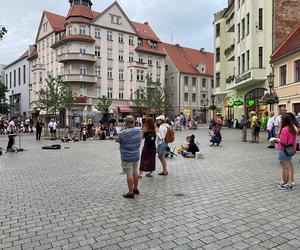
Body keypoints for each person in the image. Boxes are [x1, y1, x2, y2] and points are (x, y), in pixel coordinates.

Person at [116, 116, 142, 199]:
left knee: (129, 174)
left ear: (126, 123)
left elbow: (117, 140)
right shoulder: (139, 130)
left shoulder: (123, 133)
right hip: (136, 155)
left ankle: (130, 193)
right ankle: (135, 189)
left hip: (127, 156)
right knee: (135, 172)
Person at [275, 114, 297, 190]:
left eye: (281, 119)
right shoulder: (292, 128)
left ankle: (285, 183)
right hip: (290, 150)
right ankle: (289, 182)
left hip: (283, 149)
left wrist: (277, 140)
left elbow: (284, 142)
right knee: (288, 167)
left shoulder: (284, 129)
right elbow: (294, 141)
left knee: (285, 168)